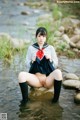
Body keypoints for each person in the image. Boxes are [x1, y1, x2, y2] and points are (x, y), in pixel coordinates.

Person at [18, 27, 63, 104]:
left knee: (58, 72)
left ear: (46, 37)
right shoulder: (31, 48)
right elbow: (26, 63)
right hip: (36, 79)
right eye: (39, 36)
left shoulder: (50, 48)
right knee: (21, 75)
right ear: (36, 37)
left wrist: (50, 60)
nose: (41, 38)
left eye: (43, 36)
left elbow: (56, 63)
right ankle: (25, 101)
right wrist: (32, 60)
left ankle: (55, 101)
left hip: (47, 79)